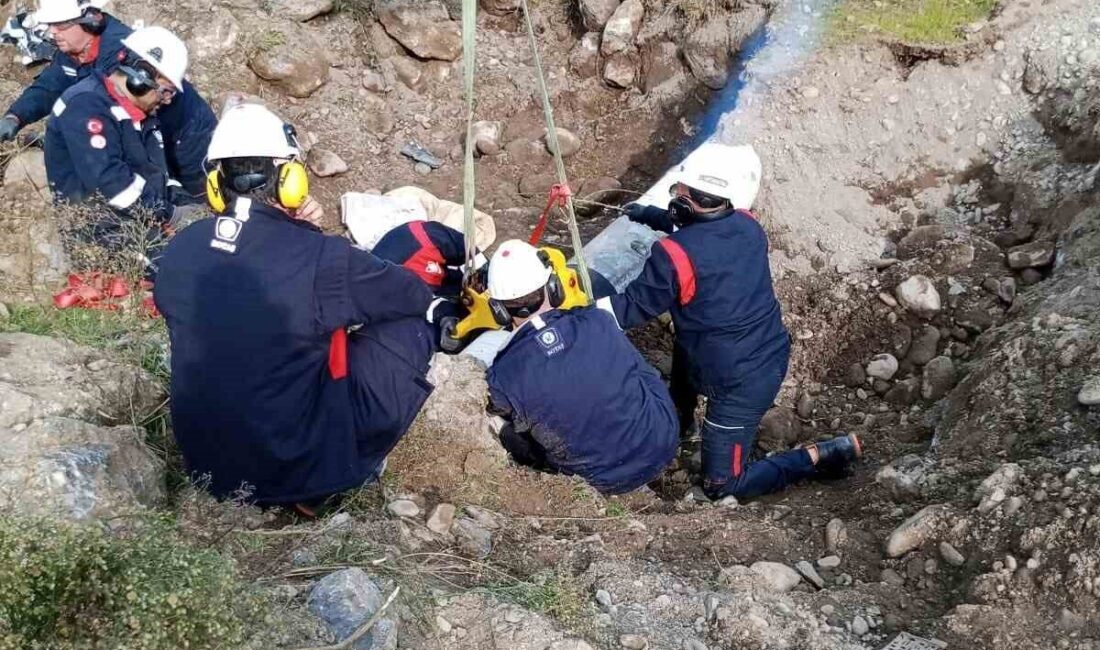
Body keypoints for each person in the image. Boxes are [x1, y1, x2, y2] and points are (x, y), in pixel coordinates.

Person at [153, 103, 442, 512]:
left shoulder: (181, 247)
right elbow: (410, 294)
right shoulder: (323, 257)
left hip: (207, 468)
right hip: (289, 472)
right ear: (289, 178)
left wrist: (299, 233)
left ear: (216, 183)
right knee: (410, 326)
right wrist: (309, 234)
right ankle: (332, 474)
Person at [598, 143, 863, 500]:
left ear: (693, 199)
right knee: (685, 347)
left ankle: (818, 457)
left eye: (680, 192)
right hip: (757, 354)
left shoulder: (674, 256)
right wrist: (646, 214)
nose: (674, 196)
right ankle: (681, 420)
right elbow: (695, 230)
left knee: (722, 486)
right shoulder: (746, 224)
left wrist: (571, 305)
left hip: (740, 384)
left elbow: (626, 310)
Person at [485, 239, 679, 495]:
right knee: (638, 369)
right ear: (554, 288)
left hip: (602, 480)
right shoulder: (599, 321)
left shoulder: (503, 377)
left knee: (507, 428)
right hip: (663, 441)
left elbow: (500, 404)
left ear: (498, 310)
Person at [0, 0, 216, 194]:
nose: (52, 32)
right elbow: (51, 85)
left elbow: (125, 128)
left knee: (196, 200)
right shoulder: (75, 51)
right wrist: (15, 116)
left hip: (187, 136)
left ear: (90, 21)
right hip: (156, 133)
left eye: (61, 25)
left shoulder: (123, 58)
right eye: (50, 25)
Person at [43, 25, 195, 249]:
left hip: (142, 225)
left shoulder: (143, 117)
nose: (168, 100)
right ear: (141, 78)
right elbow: (110, 182)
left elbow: (156, 174)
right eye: (166, 90)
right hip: (104, 238)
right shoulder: (86, 106)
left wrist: (188, 204)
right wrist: (169, 214)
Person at [371, 220, 486, 297]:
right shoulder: (401, 292)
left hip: (418, 245)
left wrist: (483, 270)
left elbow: (467, 250)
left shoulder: (427, 236)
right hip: (412, 283)